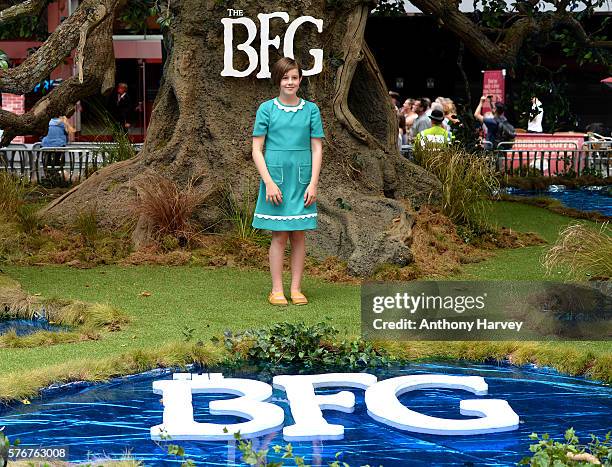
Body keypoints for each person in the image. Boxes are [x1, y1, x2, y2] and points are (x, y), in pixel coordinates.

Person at [251, 57, 324, 307]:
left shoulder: (311, 110)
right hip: (276, 179)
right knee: (279, 234)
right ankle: (276, 289)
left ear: (300, 80)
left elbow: (316, 149)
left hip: (302, 179)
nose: (290, 82)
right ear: (278, 80)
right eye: (285, 77)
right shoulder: (266, 109)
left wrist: (313, 183)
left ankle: (296, 288)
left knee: (299, 235)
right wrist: (269, 182)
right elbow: (256, 149)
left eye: (294, 77)